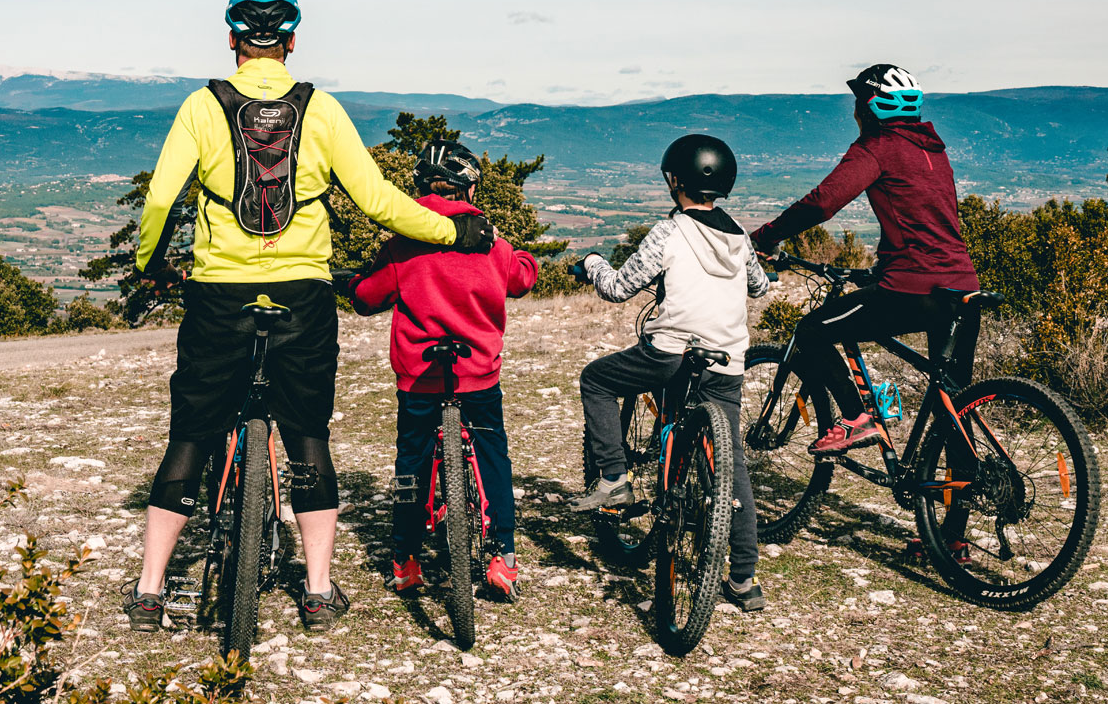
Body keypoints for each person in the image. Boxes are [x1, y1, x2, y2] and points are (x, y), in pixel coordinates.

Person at [122, 0, 498, 633]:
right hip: (304, 297)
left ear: (233, 40)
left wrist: (147, 264)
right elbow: (379, 201)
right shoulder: (320, 111)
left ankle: (152, 592)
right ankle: (319, 593)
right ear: (292, 42)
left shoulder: (201, 107)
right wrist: (455, 232)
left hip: (219, 297)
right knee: (308, 440)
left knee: (191, 437)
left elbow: (158, 201)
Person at [568, 134, 770, 611]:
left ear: (673, 179)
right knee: (732, 462)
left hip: (671, 351)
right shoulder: (739, 234)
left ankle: (614, 476)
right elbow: (758, 287)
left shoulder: (669, 231)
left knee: (595, 380)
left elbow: (619, 288)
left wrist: (593, 263)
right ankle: (744, 577)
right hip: (727, 359)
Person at [749, 64, 980, 457]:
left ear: (870, 108)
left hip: (913, 289)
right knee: (953, 403)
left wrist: (764, 236)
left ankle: (857, 418)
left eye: (857, 104)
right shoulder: (934, 150)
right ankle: (965, 491)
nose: (854, 114)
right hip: (964, 288)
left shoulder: (877, 146)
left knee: (811, 331)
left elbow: (823, 203)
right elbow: (927, 224)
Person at [349, 139, 539, 601]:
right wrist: (526, 257)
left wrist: (355, 279)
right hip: (478, 372)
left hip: (419, 375)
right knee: (492, 453)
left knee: (411, 461)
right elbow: (522, 279)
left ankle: (407, 561)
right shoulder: (489, 240)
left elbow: (366, 298)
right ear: (469, 189)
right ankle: (503, 558)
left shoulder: (403, 244)